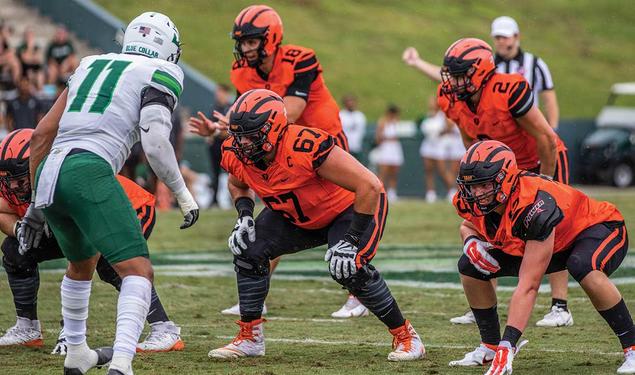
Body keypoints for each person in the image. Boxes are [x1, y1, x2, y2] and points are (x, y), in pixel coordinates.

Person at [19, 12, 199, 375]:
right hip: (89, 168)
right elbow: (155, 140)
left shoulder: (88, 64)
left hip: (52, 171)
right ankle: (121, 364)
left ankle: (77, 353)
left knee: (81, 265)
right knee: (138, 271)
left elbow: (40, 136)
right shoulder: (161, 72)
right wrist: (183, 194)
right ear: (166, 48)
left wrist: (36, 205)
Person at [206, 89, 424, 361]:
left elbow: (369, 185)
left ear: (274, 129)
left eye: (250, 135)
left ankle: (406, 336)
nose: (243, 144)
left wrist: (352, 240)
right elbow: (237, 182)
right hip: (294, 215)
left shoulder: (304, 145)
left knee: (348, 267)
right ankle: (250, 338)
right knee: (248, 249)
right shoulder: (235, 151)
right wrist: (245, 215)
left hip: (347, 211)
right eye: (238, 135)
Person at [191, 5, 365, 318]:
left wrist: (234, 127)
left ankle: (358, 289)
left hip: (319, 141)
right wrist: (220, 128)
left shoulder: (300, 59)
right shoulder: (241, 71)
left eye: (251, 41)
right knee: (280, 208)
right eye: (241, 42)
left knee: (343, 210)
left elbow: (292, 111)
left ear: (271, 39)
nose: (245, 48)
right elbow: (248, 109)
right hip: (276, 143)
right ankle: (258, 288)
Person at [448, 140, 635, 374]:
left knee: (582, 266)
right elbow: (467, 225)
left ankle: (633, 347)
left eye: (483, 185)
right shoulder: (477, 198)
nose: (476, 193)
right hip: (558, 242)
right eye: (471, 186)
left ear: (504, 178)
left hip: (600, 227)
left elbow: (529, 285)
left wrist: (510, 343)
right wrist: (470, 241)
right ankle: (490, 346)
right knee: (470, 265)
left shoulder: (535, 205)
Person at [0, 129, 184, 354]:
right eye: (8, 181)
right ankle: (27, 327)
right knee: (15, 249)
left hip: (129, 208)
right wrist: (18, 229)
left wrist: (70, 329)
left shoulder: (62, 181)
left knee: (112, 262)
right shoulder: (14, 190)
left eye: (20, 180)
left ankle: (164, 329)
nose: (13, 188)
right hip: (80, 217)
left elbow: (85, 251)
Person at [436, 38, 571, 328]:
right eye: (451, 75)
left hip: (539, 160)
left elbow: (545, 137)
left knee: (553, 231)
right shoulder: (452, 98)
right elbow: (469, 138)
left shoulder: (507, 88)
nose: (453, 82)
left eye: (460, 75)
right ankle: (484, 303)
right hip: (497, 169)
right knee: (484, 225)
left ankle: (560, 306)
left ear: (480, 71)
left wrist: (544, 180)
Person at [402, 16, 559, 129]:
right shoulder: (484, 63)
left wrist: (552, 129)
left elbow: (549, 101)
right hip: (492, 129)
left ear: (516, 37)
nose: (501, 41)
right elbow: (453, 79)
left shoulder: (535, 64)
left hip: (526, 127)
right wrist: (417, 62)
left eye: (505, 37)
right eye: (497, 37)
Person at [418, 95, 463, 203]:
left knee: (443, 170)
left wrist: (437, 133)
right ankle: (430, 193)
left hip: (439, 146)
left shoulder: (443, 114)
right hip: (428, 145)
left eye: (432, 102)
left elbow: (449, 127)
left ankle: (454, 191)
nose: (430, 104)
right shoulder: (429, 115)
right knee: (428, 170)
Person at [374, 104, 403, 202]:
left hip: (395, 149)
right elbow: (378, 138)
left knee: (394, 172)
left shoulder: (397, 122)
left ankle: (392, 193)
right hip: (385, 150)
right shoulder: (382, 122)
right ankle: (380, 193)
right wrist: (388, 139)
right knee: (383, 172)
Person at [339, 94, 367, 161]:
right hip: (344, 148)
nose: (350, 103)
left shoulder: (360, 115)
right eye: (348, 101)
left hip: (357, 147)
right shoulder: (341, 115)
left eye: (352, 101)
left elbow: (362, 131)